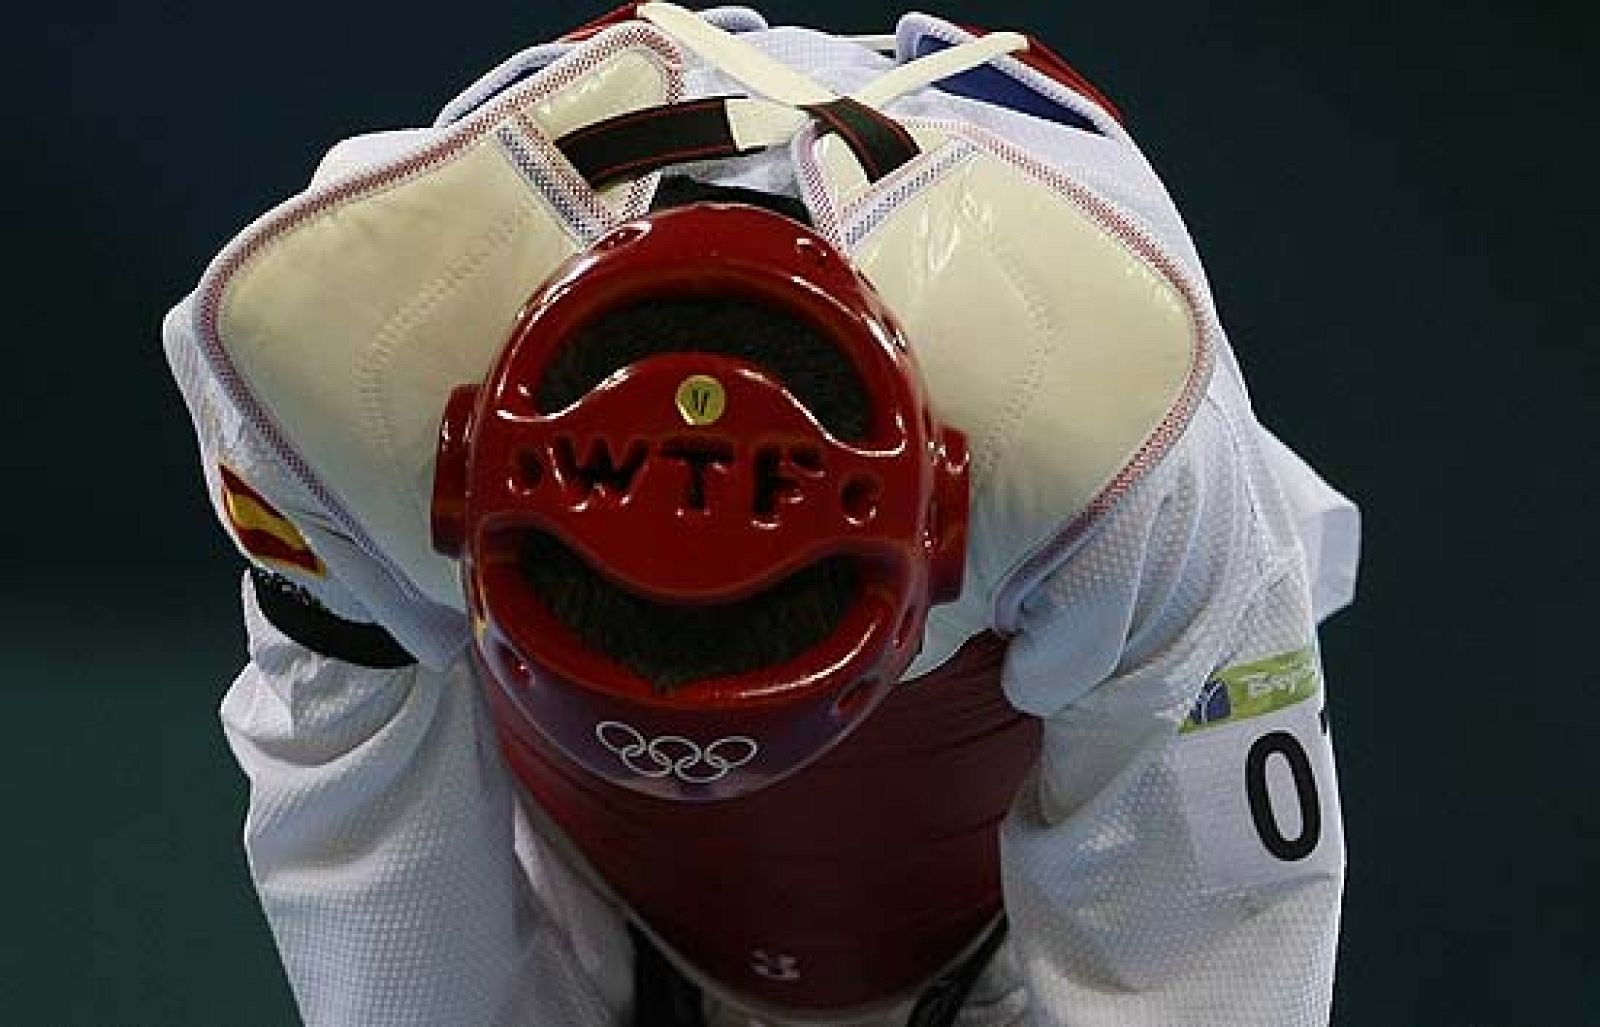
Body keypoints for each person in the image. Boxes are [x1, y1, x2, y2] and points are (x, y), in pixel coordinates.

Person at [164, 5, 1360, 1025]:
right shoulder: (333, 375)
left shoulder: (1121, 443)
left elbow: (1207, 949)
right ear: (458, 479)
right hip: (599, 879)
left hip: (1006, 769)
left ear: (938, 527)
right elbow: (365, 841)